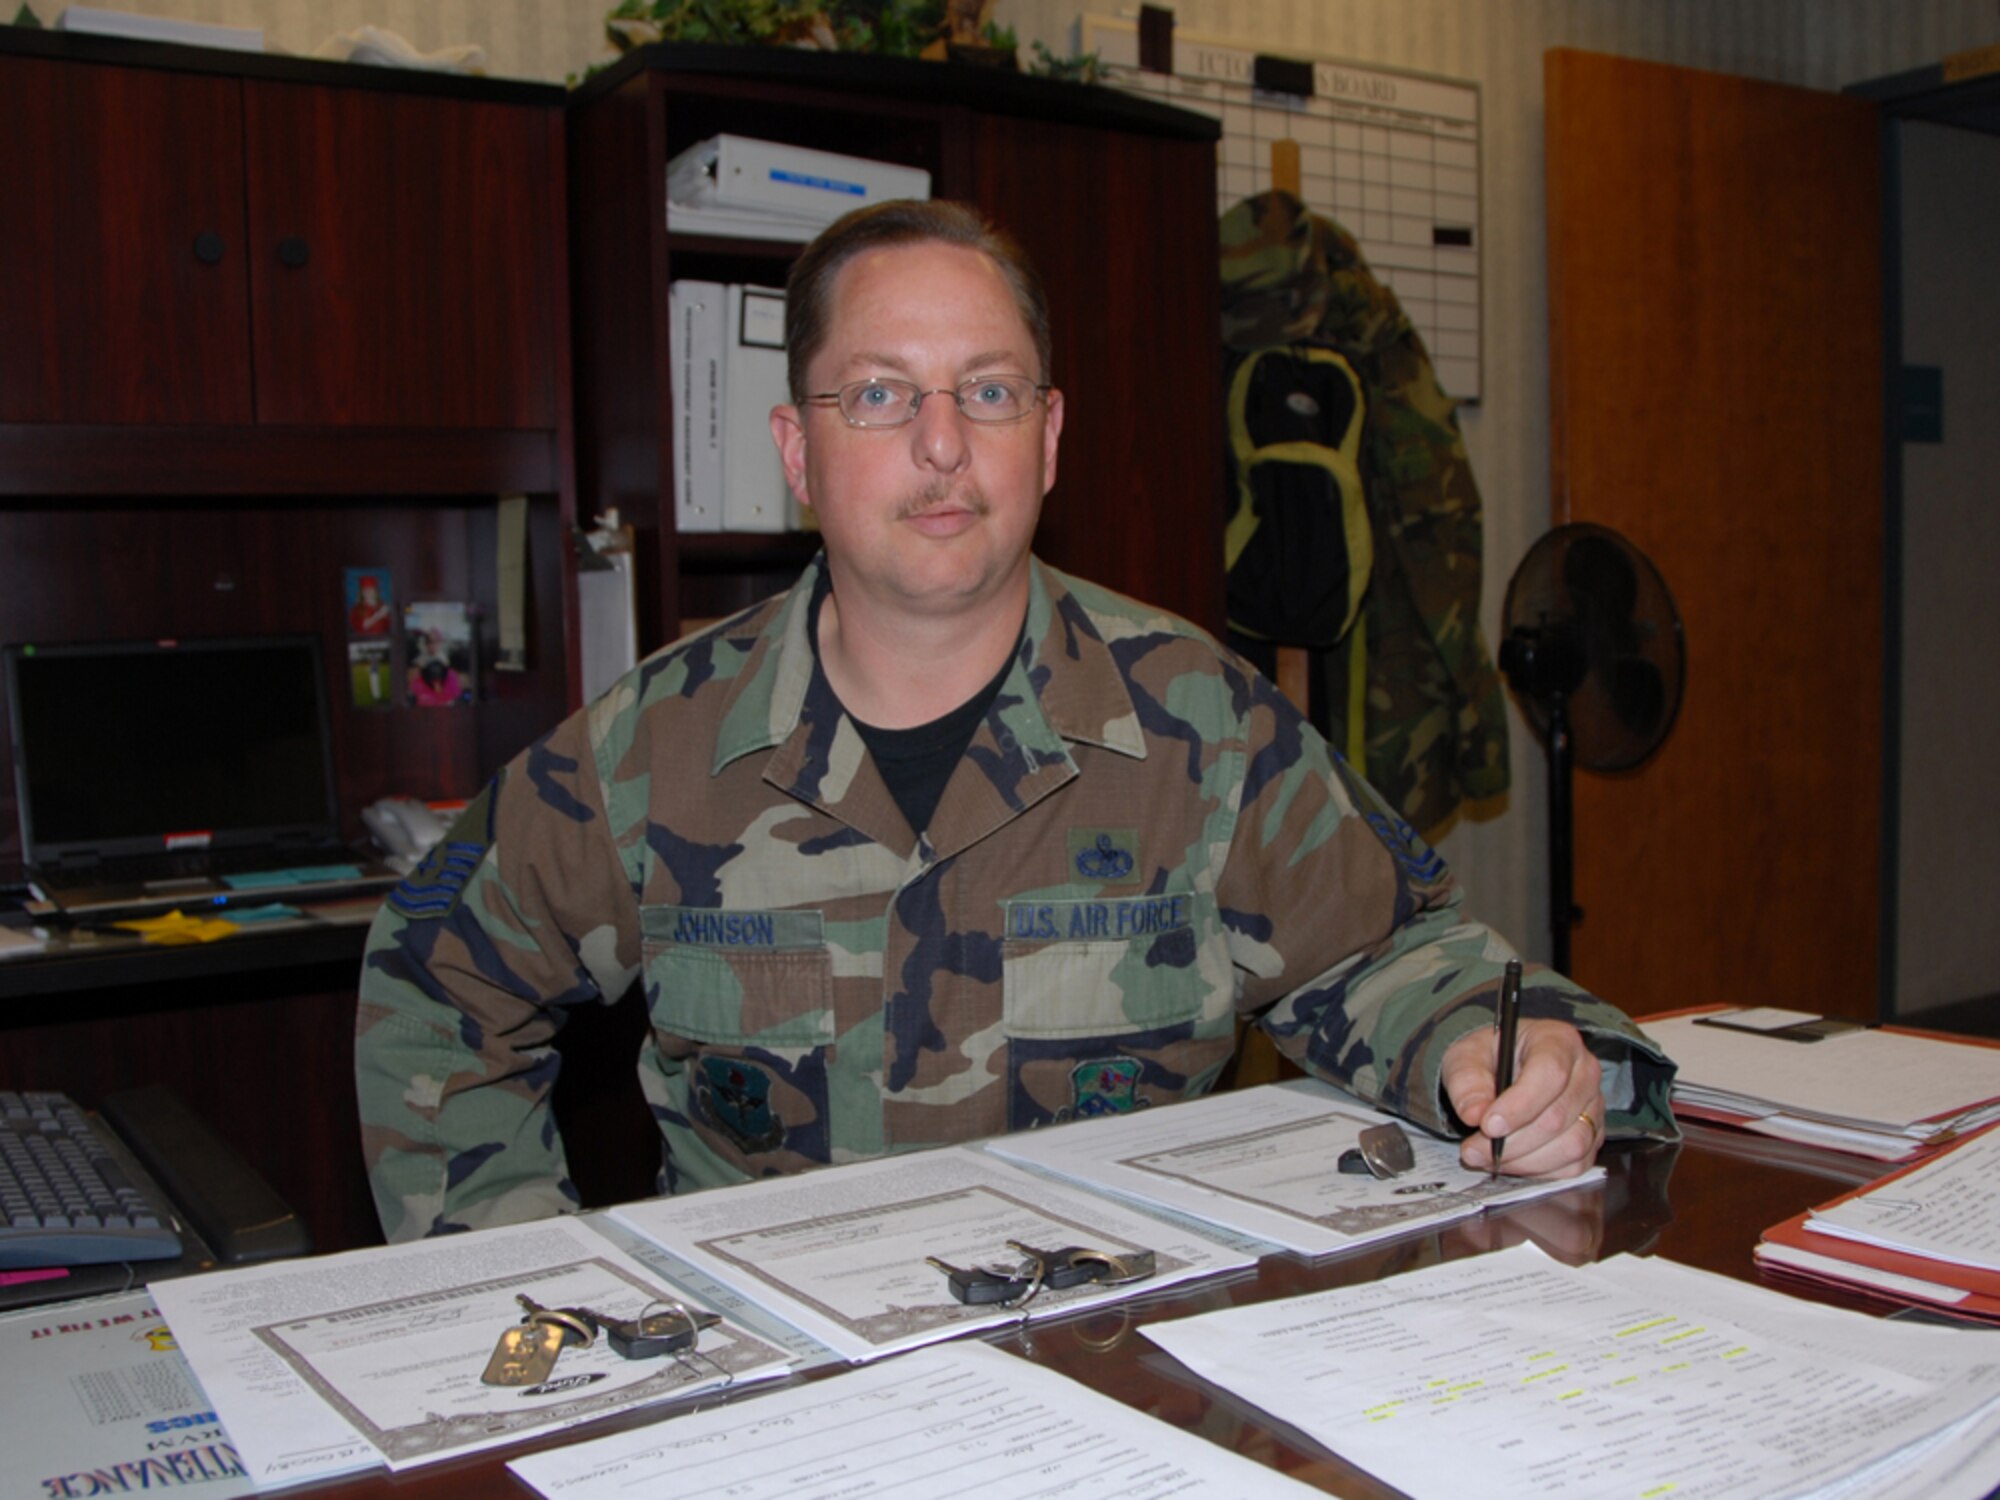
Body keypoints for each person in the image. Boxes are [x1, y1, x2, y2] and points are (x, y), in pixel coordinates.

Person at [355, 200, 1675, 1243]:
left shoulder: (1199, 724)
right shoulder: (656, 746)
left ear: (1045, 441)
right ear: (799, 450)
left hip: (1114, 1376)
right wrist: (519, 1274)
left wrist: (1505, 1057)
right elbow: (436, 984)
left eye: (986, 392)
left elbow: (1393, 957)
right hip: (772, 1406)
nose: (941, 444)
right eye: (880, 393)